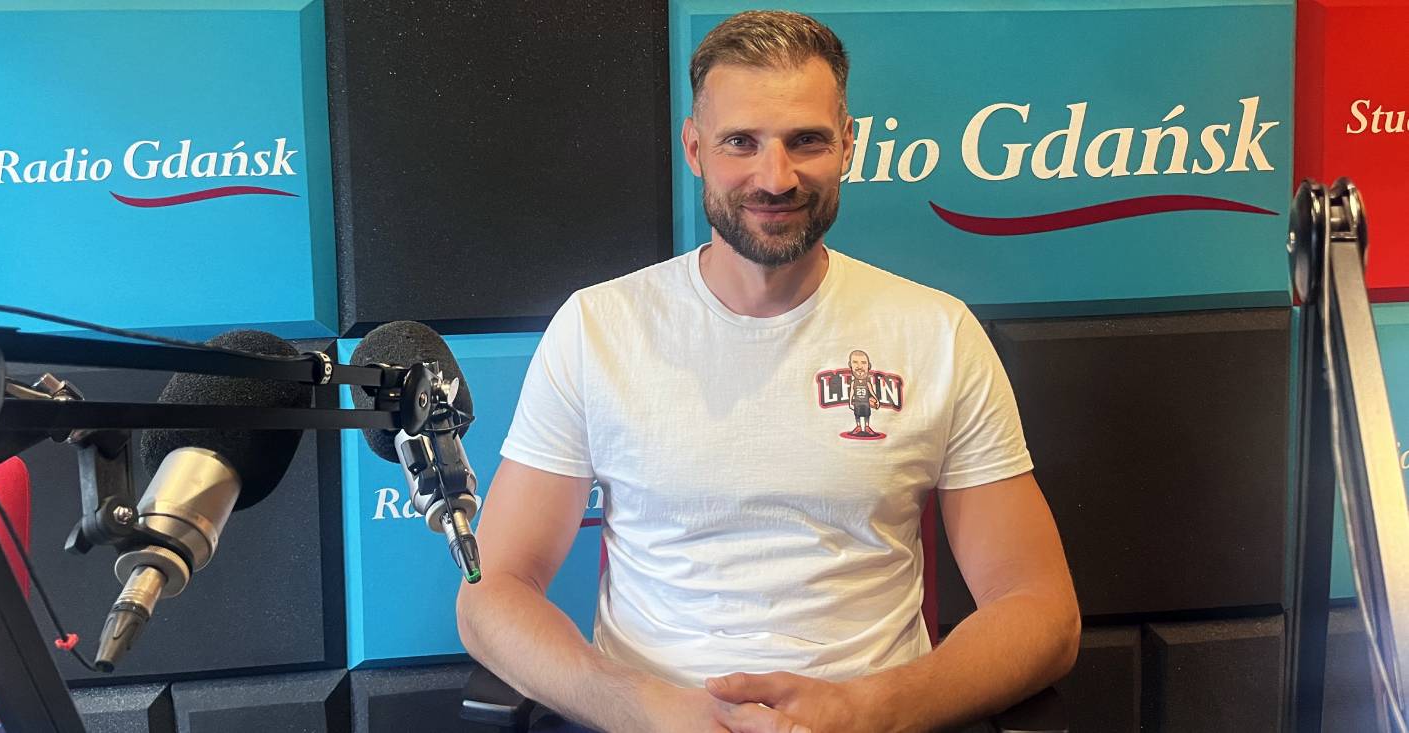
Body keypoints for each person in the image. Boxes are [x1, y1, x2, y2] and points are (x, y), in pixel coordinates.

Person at [457, 10, 1079, 733]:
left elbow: (1041, 609)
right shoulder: (598, 327)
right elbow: (491, 590)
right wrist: (648, 709)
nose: (775, 177)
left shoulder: (937, 332)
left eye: (806, 140)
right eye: (741, 142)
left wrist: (867, 710)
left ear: (848, 144)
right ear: (695, 148)